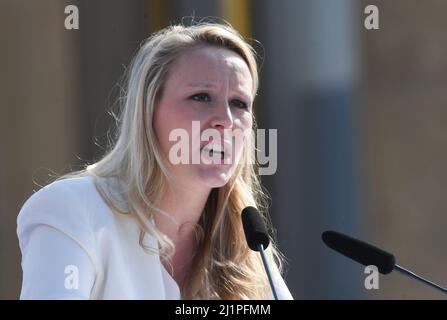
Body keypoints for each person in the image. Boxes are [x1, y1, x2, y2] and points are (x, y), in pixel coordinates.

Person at [17, 21, 293, 300]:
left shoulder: (249, 247)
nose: (225, 120)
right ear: (148, 110)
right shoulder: (73, 209)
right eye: (201, 97)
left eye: (239, 104)